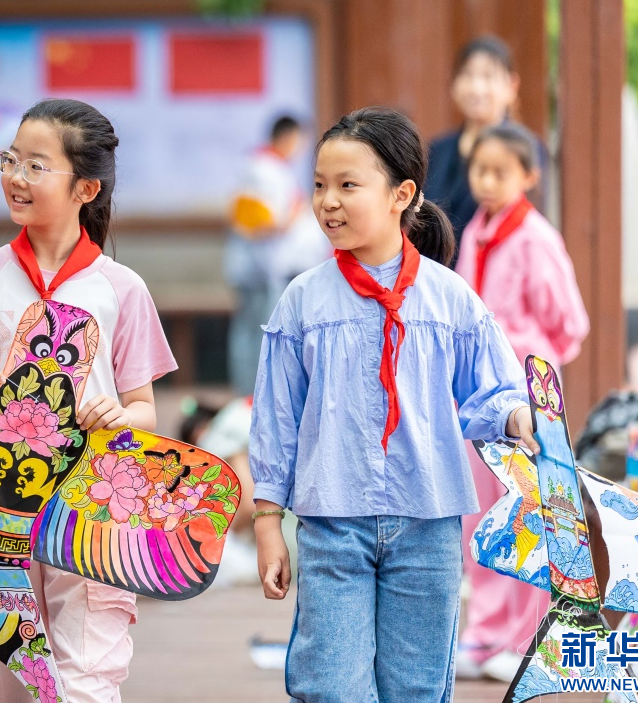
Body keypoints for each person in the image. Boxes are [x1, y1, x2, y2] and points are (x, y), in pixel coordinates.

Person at [250, 106, 538, 702]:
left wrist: (519, 417)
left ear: (401, 195)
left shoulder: (450, 298)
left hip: (429, 522)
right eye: (320, 185)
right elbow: (276, 420)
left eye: (347, 185)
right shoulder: (302, 301)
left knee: (418, 689)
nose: (328, 202)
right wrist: (268, 522)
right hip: (331, 524)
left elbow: (495, 390)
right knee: (332, 685)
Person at [0, 98, 177, 703]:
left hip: (89, 511)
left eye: (36, 166)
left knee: (86, 677)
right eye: (10, 160)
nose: (16, 177)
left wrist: (120, 417)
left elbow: (143, 408)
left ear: (85, 188)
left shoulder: (122, 289)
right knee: (5, 678)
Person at [453, 122, 589, 681]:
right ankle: (485, 633)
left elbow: (570, 323)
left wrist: (534, 364)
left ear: (528, 176)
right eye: (479, 170)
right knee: (482, 513)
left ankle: (526, 638)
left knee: (530, 511)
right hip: (481, 394)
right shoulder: (475, 231)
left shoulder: (536, 238)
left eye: (500, 172)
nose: (486, 182)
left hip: (528, 398)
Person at [226, 114, 328, 395]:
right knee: (257, 333)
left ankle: (250, 394)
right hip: (260, 267)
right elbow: (262, 222)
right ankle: (250, 396)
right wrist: (294, 214)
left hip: (262, 266)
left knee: (252, 332)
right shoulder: (265, 170)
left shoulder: (264, 166)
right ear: (288, 137)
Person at [426, 36, 545, 249]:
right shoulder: (438, 149)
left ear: (512, 85)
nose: (476, 87)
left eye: (488, 76)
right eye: (467, 75)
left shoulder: (525, 149)